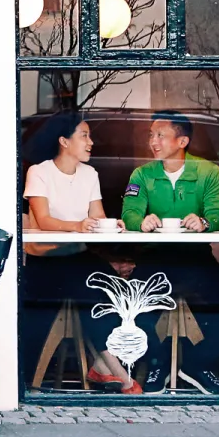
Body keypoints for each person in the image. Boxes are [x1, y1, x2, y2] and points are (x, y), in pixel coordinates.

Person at [22, 113, 140, 394]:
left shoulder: (90, 174)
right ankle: (116, 373)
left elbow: (96, 217)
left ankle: (105, 367)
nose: (91, 142)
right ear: (64, 141)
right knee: (91, 293)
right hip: (45, 260)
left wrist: (112, 226)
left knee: (114, 289)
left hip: (76, 256)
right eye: (84, 135)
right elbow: (44, 220)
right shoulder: (40, 172)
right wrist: (78, 225)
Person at [120, 111, 219, 393]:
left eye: (160, 135)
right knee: (134, 307)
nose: (153, 141)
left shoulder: (207, 171)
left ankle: (198, 363)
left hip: (195, 256)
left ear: (182, 140)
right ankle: (157, 362)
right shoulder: (143, 174)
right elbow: (129, 212)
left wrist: (205, 222)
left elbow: (217, 213)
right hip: (154, 256)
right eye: (151, 135)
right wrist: (140, 221)